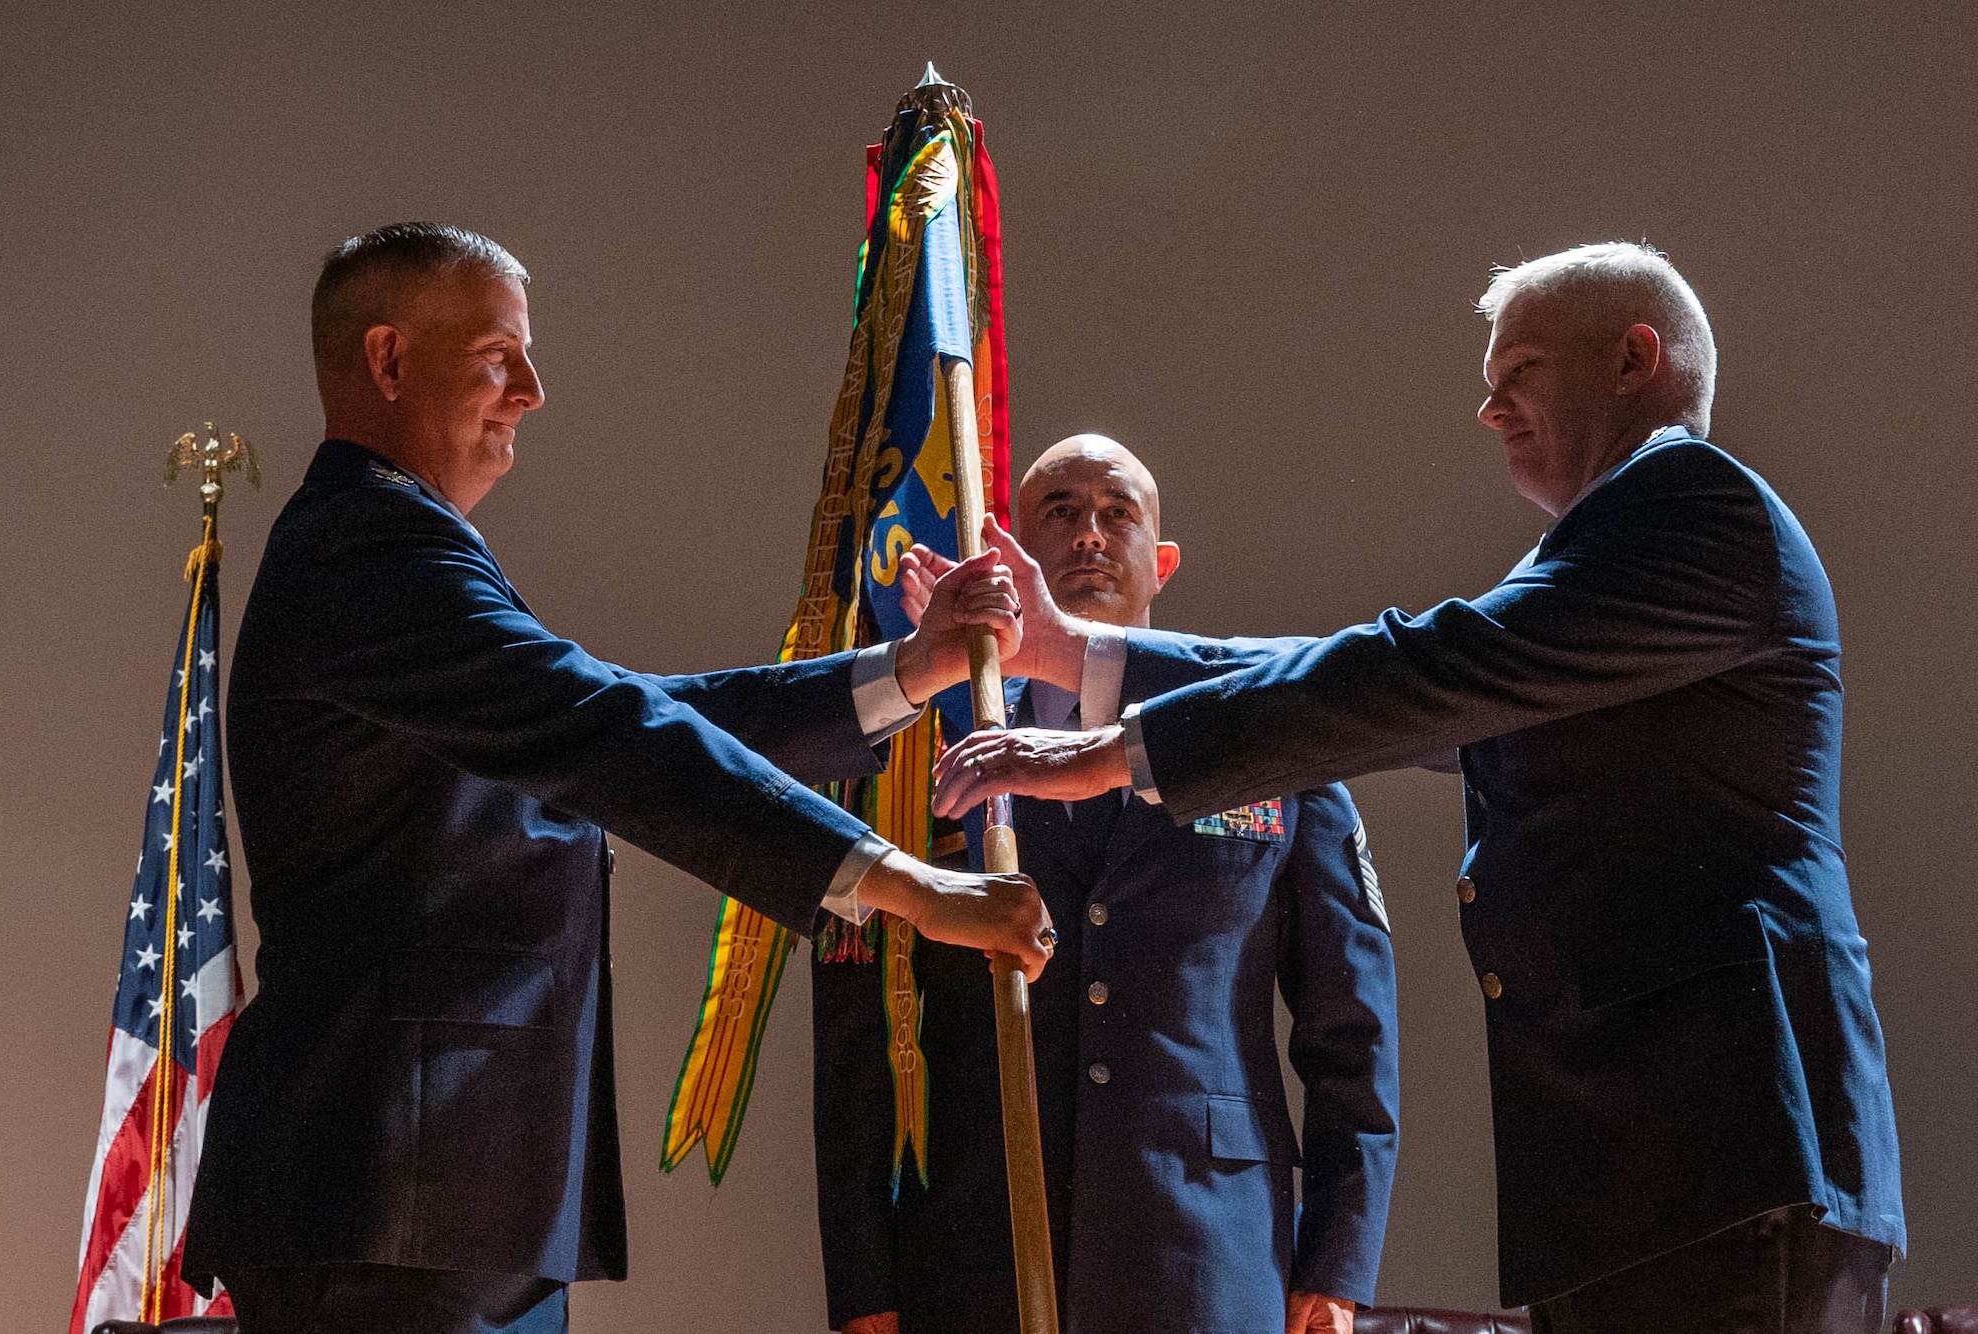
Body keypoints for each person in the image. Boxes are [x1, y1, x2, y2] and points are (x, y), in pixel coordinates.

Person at [933, 244, 1905, 1334]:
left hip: (1730, 1152)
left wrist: (1112, 743)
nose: (1487, 409)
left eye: (1518, 369)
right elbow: (1406, 671)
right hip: (1639, 1168)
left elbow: (1420, 672)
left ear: (1634, 358)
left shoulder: (1690, 503)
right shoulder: (1595, 567)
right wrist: (1084, 658)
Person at [182, 222, 1053, 1334]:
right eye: (500, 354)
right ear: (389, 359)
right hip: (387, 1198)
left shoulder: (393, 547)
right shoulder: (368, 547)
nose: (533, 391)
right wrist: (907, 886)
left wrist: (905, 670)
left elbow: (637, 716)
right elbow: (607, 726)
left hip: (444, 1201)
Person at [813, 435, 1398, 1334]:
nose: (1090, 534)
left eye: (1117, 514)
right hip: (977, 1247)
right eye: (1061, 512)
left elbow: (1349, 1025)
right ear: (1010, 550)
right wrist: (864, 1283)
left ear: (1160, 564)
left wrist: (1338, 1260)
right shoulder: (921, 747)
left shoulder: (1269, 733)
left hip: (1206, 1247)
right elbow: (856, 1035)